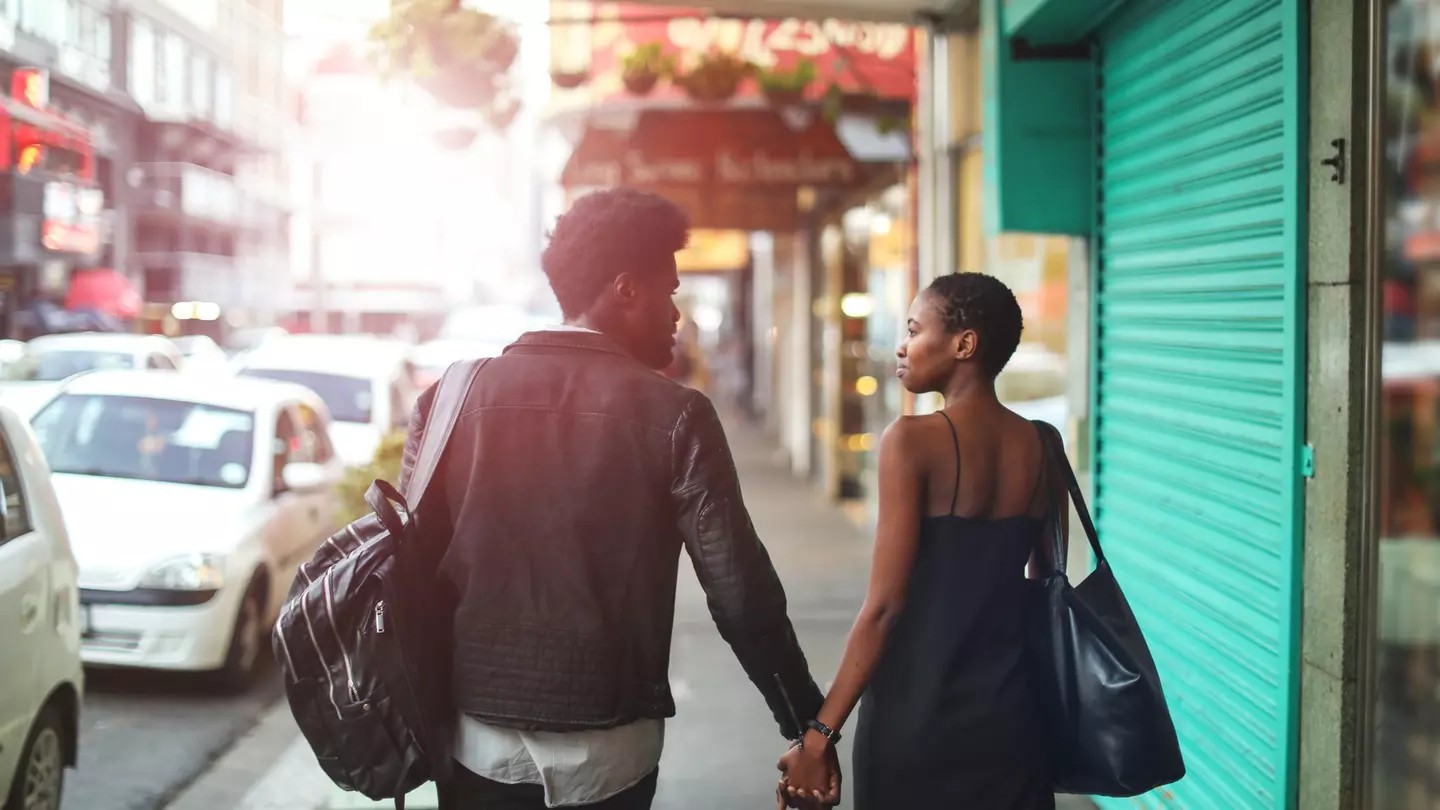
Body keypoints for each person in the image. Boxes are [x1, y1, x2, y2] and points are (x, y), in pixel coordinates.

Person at [399, 187, 837, 810]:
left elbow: (408, 564)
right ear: (626, 289)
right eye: (671, 292)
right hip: (607, 748)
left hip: (474, 735)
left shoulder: (449, 397)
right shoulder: (677, 414)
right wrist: (806, 724)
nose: (676, 315)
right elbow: (740, 591)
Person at [778, 272, 1062, 809]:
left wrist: (820, 736)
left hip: (918, 720)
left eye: (913, 329)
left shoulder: (910, 442)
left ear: (964, 344)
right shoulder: (1043, 446)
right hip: (1013, 721)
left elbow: (884, 609)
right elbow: (1045, 587)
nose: (902, 347)